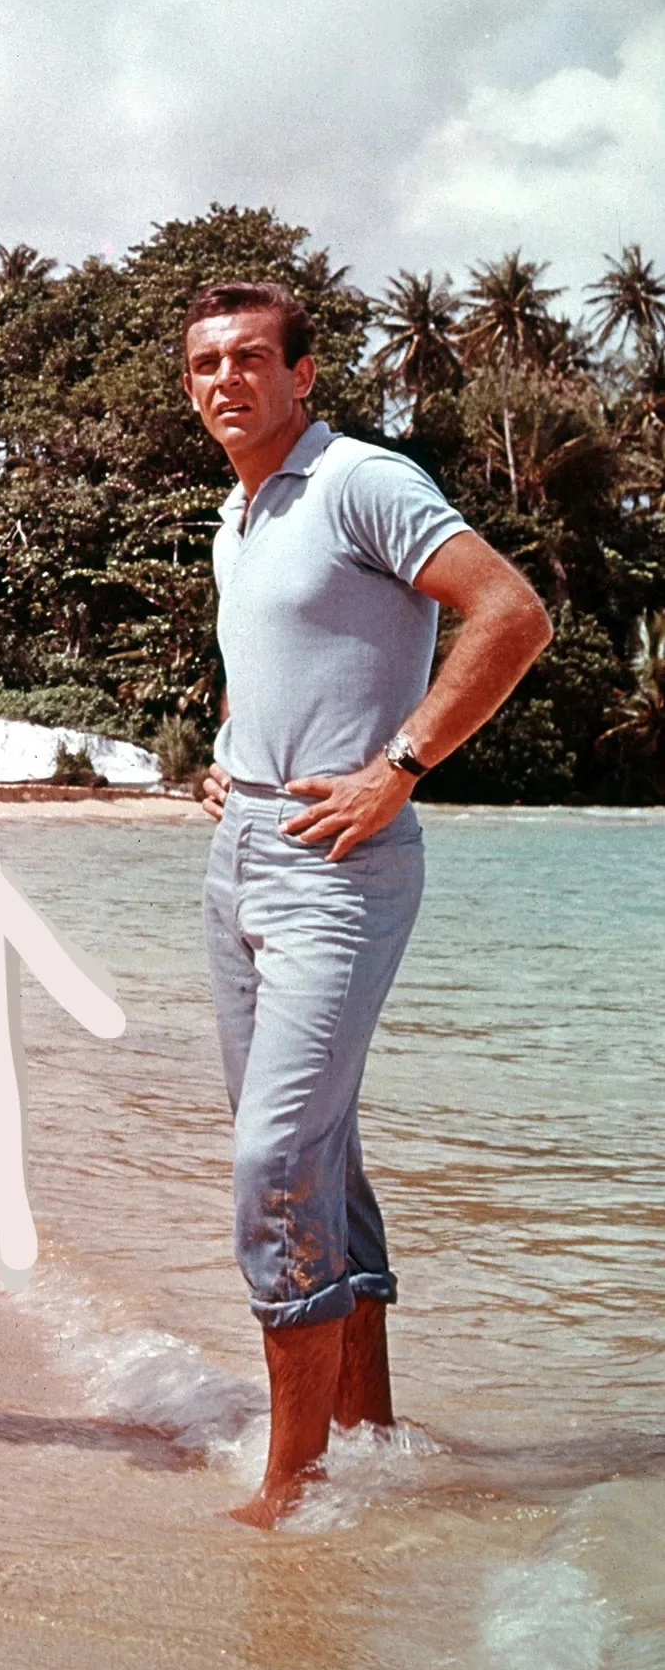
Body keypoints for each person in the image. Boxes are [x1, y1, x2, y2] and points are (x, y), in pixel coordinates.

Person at [182, 283, 551, 1525]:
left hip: (340, 869)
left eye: (248, 359)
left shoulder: (362, 480)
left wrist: (398, 767)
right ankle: (363, 1430)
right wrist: (230, 751)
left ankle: (290, 1484)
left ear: (302, 374)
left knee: (275, 1159)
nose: (225, 380)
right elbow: (279, 666)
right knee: (317, 1152)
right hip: (242, 849)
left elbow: (512, 612)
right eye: (203, 365)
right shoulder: (240, 515)